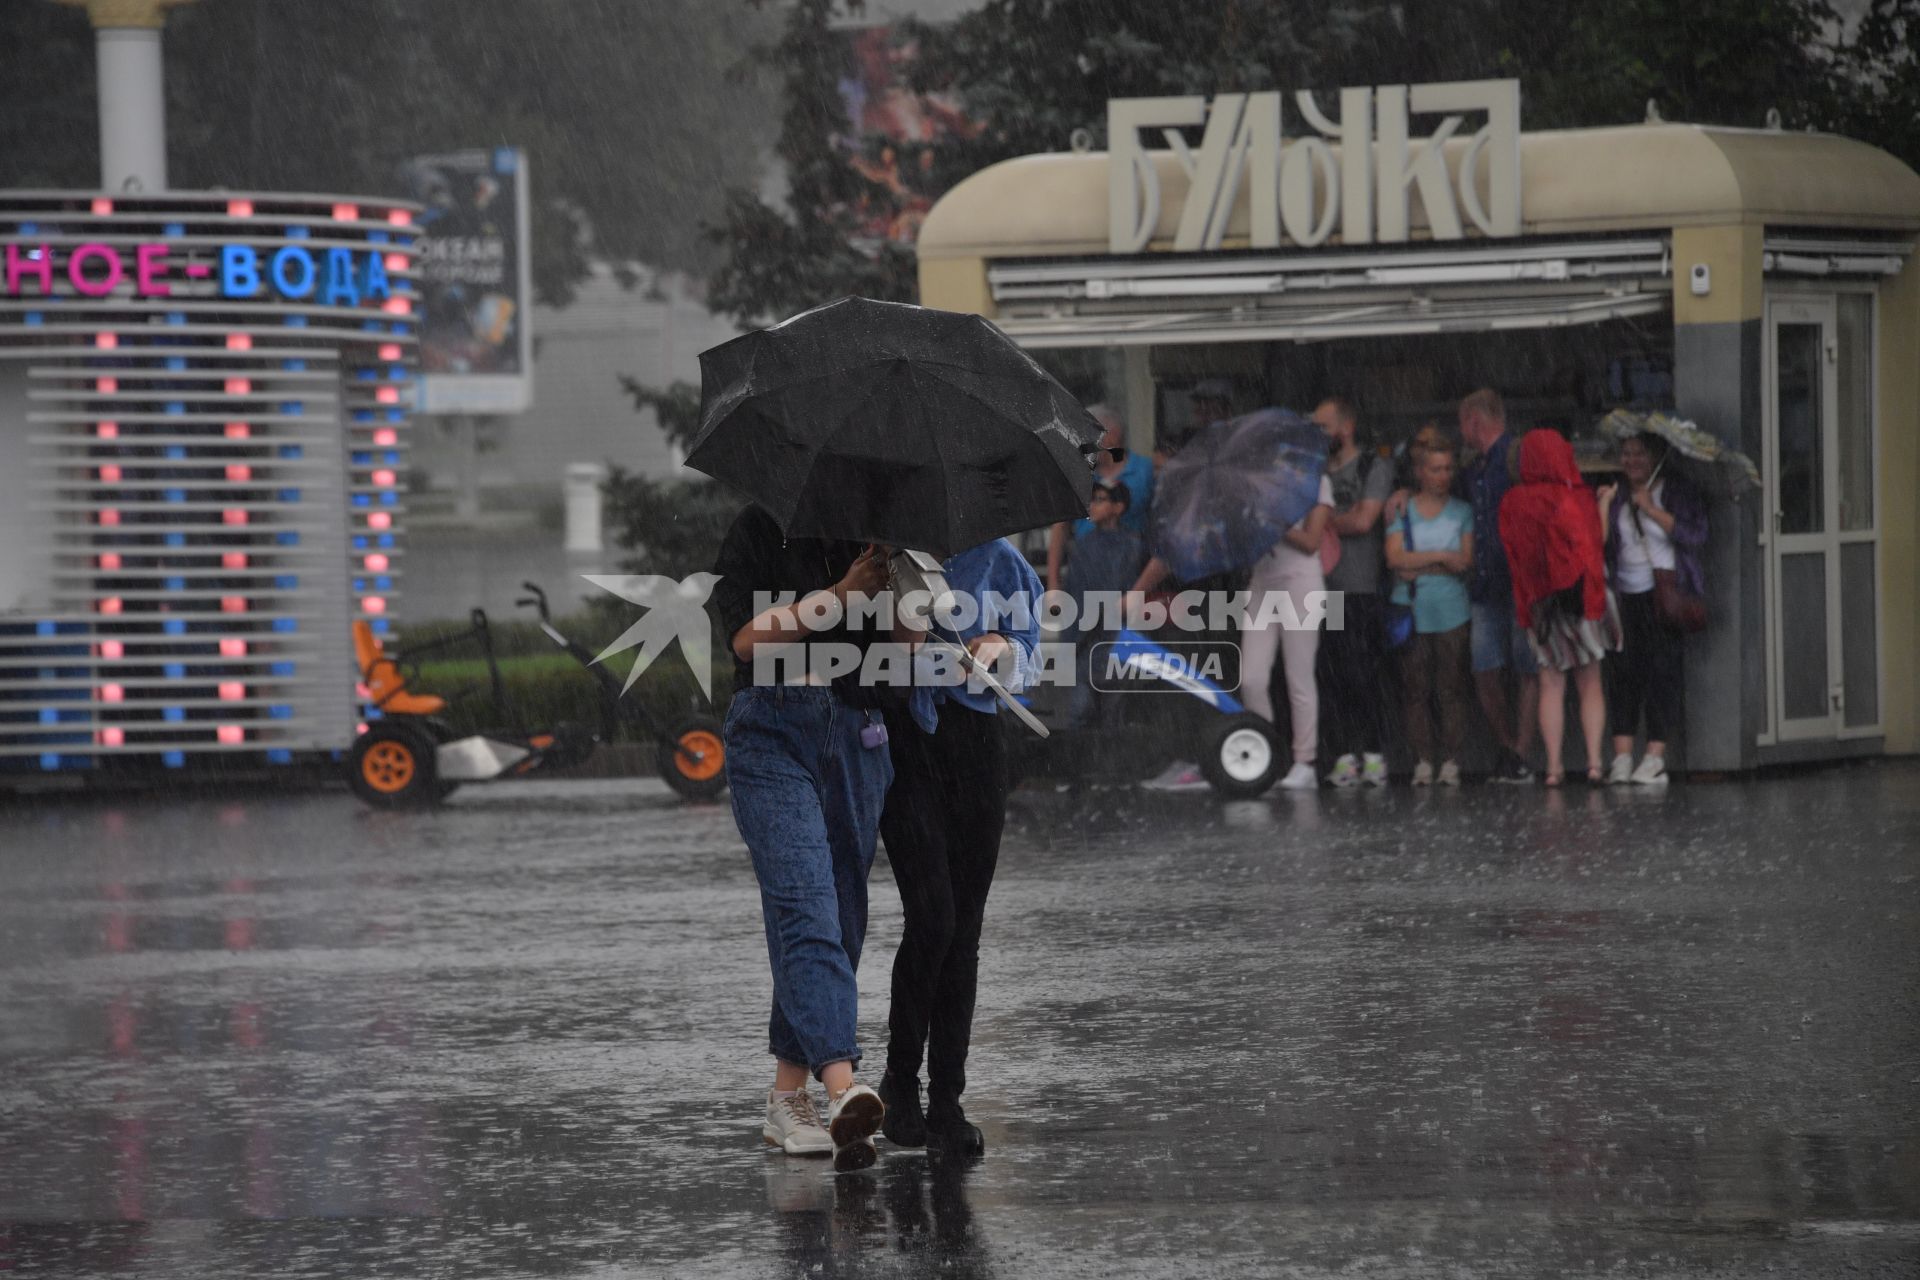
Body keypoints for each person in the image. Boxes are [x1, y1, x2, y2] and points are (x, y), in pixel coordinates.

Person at [709, 504, 908, 1173]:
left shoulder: (878, 538)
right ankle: (842, 1084)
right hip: (771, 729)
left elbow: (903, 655)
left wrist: (906, 597)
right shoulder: (760, 528)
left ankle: (787, 1097)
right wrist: (839, 597)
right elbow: (743, 641)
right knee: (806, 904)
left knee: (842, 919)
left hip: (858, 735)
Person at [877, 537, 1042, 1157]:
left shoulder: (1001, 561)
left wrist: (1000, 648)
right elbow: (864, 664)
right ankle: (900, 1079)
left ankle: (947, 1097)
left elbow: (1030, 656)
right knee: (933, 917)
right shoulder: (878, 559)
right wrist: (905, 626)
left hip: (976, 748)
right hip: (905, 746)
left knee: (964, 929)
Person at [1499, 430, 1621, 786]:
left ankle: (1553, 767)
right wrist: (1604, 504)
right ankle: (1595, 763)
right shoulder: (1574, 497)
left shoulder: (1511, 503)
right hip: (1579, 603)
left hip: (1540, 607)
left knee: (1550, 684)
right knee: (1589, 682)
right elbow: (1593, 544)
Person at [1597, 433, 1707, 787]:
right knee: (1623, 675)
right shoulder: (1617, 494)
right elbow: (1602, 544)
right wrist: (1605, 505)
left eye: (1639, 454)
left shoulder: (1676, 490)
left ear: (1657, 456)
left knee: (1662, 674)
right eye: (1626, 454)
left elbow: (1696, 534)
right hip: (1625, 593)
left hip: (1664, 594)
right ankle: (1623, 756)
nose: (1631, 461)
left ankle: (1654, 758)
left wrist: (1653, 510)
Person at [1232, 469, 1334, 790]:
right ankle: (1268, 755)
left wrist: (1271, 521)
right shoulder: (1255, 484)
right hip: (1262, 583)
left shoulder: (1316, 481)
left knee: (1298, 676)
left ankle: (1305, 761)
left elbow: (1311, 542)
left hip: (1300, 583)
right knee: (1251, 678)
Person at [1458, 390, 1539, 782]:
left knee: (1528, 668)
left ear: (1475, 421)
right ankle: (1509, 747)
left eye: (1463, 422)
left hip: (1521, 579)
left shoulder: (1517, 456)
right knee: (1484, 668)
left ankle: (1520, 751)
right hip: (1487, 581)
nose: (1461, 432)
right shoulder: (1474, 468)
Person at [1312, 396, 1393, 787]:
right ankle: (1343, 753)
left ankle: (1374, 752)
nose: (1318, 434)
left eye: (1323, 426)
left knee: (1364, 672)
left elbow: (1364, 520)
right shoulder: (1313, 471)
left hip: (1360, 585)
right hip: (1319, 588)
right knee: (1329, 675)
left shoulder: (1372, 466)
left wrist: (1321, 525)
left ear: (1345, 427)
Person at [1385, 441, 1475, 786]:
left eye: (1448, 469)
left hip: (1453, 608)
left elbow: (1465, 560)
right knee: (1415, 689)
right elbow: (1394, 558)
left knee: (1451, 688)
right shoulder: (1402, 509)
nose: (1443, 476)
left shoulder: (1462, 510)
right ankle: (1422, 760)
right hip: (1413, 608)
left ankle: (1451, 761)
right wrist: (1441, 557)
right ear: (1420, 472)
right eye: (1435, 469)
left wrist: (1418, 561)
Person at [1062, 480, 1147, 729]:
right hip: (1085, 639)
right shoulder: (1082, 546)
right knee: (1081, 709)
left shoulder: (1133, 546)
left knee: (1112, 711)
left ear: (1118, 507)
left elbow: (1129, 593)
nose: (1092, 506)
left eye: (1100, 500)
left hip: (1114, 638)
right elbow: (1074, 594)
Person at [1045, 404, 1154, 593]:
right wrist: (1053, 583)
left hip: (1132, 573)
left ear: (1112, 436)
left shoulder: (1145, 471)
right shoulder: (1078, 473)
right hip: (1086, 569)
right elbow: (1060, 527)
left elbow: (1159, 524)